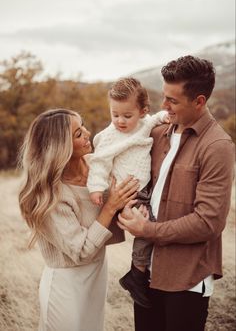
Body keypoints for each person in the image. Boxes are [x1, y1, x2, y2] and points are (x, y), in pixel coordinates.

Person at [118, 55, 235, 331]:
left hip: (187, 279)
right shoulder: (157, 134)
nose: (163, 106)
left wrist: (147, 230)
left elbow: (208, 222)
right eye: (164, 96)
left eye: (173, 100)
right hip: (145, 274)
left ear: (199, 101)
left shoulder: (217, 145)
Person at [18, 108, 140, 331]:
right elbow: (80, 251)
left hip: (96, 274)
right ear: (60, 146)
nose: (87, 133)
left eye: (83, 126)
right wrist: (110, 206)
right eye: (77, 133)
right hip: (66, 284)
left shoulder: (98, 165)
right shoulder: (49, 195)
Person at [87, 77, 168, 307]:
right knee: (146, 225)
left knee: (153, 223)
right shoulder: (109, 136)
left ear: (142, 111)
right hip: (126, 193)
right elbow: (100, 162)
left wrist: (166, 117)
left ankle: (138, 272)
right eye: (115, 114)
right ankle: (137, 273)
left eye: (127, 115)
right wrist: (95, 187)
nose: (120, 121)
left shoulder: (145, 123)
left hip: (145, 189)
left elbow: (157, 119)